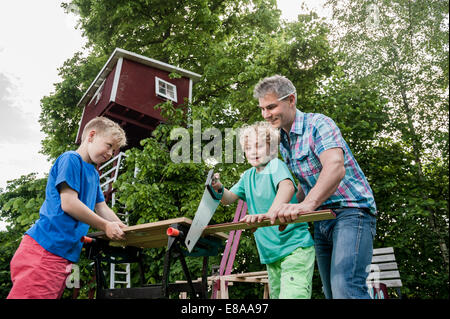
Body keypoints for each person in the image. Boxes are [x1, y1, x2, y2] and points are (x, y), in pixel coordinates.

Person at [253, 75, 377, 299]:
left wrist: (307, 205)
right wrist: (279, 211)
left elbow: (335, 168)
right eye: (262, 109)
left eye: (271, 107)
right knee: (331, 293)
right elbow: (304, 183)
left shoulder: (318, 124)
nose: (265, 115)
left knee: (345, 288)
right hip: (321, 220)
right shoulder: (283, 139)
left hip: (351, 212)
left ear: (291, 100)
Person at [7, 117, 128, 299]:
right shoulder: (71, 159)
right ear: (92, 136)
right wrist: (105, 226)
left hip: (63, 255)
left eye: (114, 150)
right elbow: (69, 203)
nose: (111, 153)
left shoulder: (93, 174)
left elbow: (101, 207)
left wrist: (123, 227)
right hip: (45, 250)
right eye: (109, 145)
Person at [211, 121, 315, 299]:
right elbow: (228, 200)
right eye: (248, 148)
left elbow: (287, 187)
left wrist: (269, 214)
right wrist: (218, 187)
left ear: (272, 149)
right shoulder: (247, 177)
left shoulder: (275, 166)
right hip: (270, 254)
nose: (253, 151)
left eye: (259, 146)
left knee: (293, 295)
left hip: (294, 247)